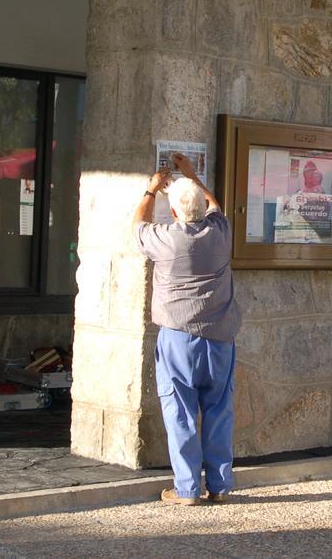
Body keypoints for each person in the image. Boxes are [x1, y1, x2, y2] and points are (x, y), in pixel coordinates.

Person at [133, 153, 241, 505]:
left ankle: (187, 488)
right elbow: (216, 205)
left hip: (179, 337)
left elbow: (137, 227)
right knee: (219, 410)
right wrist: (193, 177)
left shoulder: (168, 238)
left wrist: (151, 191)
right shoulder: (220, 231)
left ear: (175, 213)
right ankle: (221, 486)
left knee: (179, 410)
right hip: (221, 337)